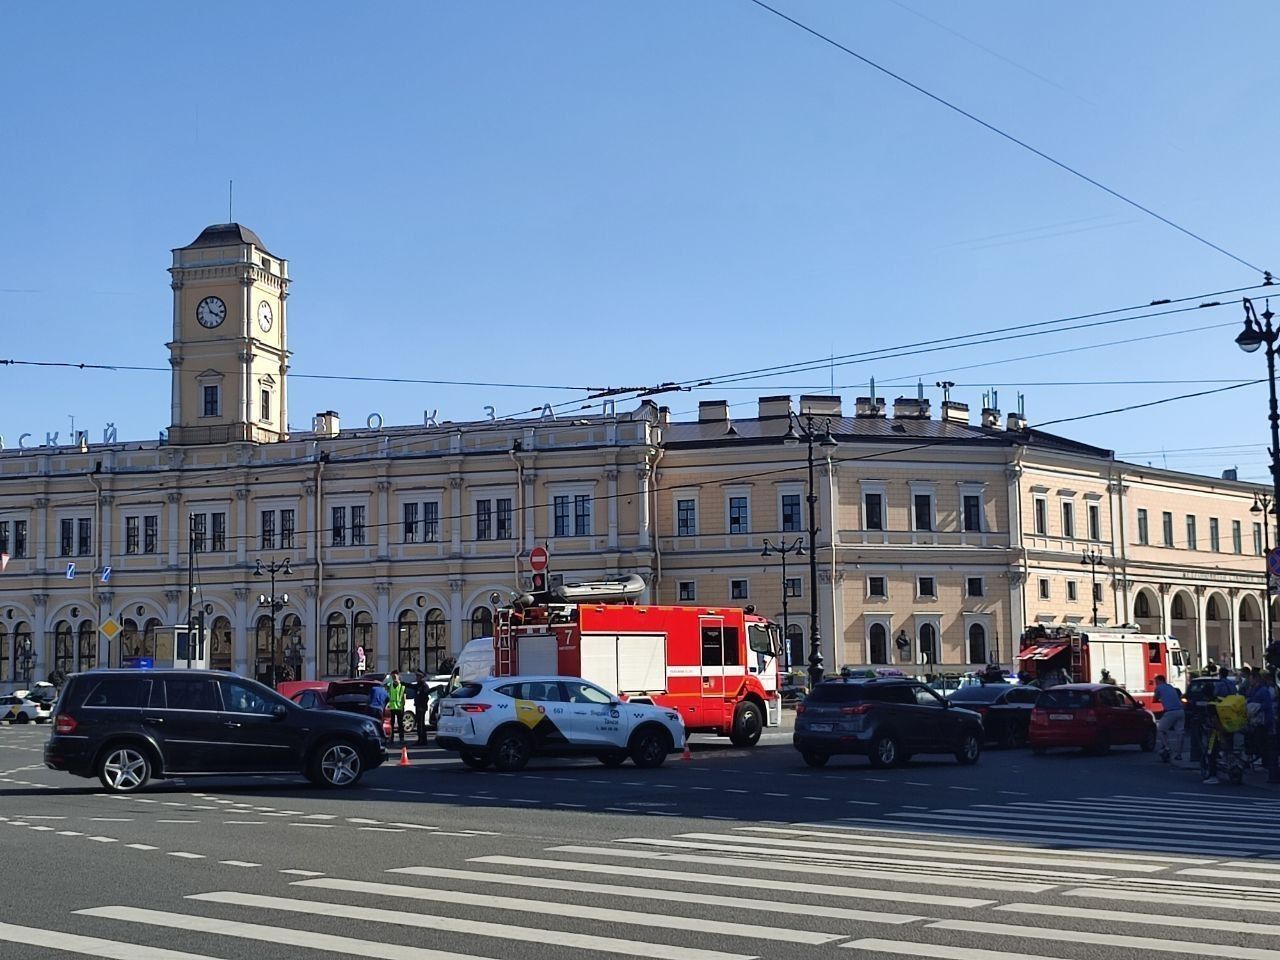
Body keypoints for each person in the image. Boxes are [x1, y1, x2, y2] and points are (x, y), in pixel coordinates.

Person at [1152, 673, 1185, 762]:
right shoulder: (1170, 687)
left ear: (1159, 681)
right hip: (1181, 711)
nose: (1155, 683)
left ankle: (1167, 747)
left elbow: (1154, 699)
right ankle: (1179, 754)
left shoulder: (1159, 688)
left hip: (1170, 712)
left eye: (1156, 682)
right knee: (1180, 733)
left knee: (1161, 729)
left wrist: (1160, 700)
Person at [386, 671, 406, 745]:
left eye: (395, 676)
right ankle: (391, 738)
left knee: (400, 724)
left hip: (399, 707)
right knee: (392, 724)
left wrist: (402, 706)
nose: (393, 678)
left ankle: (401, 738)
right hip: (392, 707)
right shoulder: (390, 685)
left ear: (398, 676)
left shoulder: (402, 686)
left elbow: (404, 698)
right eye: (392, 676)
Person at [413, 670, 429, 745]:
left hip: (422, 707)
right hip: (418, 706)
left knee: (421, 725)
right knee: (419, 724)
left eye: (417, 676)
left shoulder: (424, 686)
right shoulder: (418, 685)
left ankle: (422, 740)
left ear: (421, 677)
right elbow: (411, 686)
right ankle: (420, 739)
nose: (416, 678)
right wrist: (401, 683)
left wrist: (422, 706)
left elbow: (426, 697)